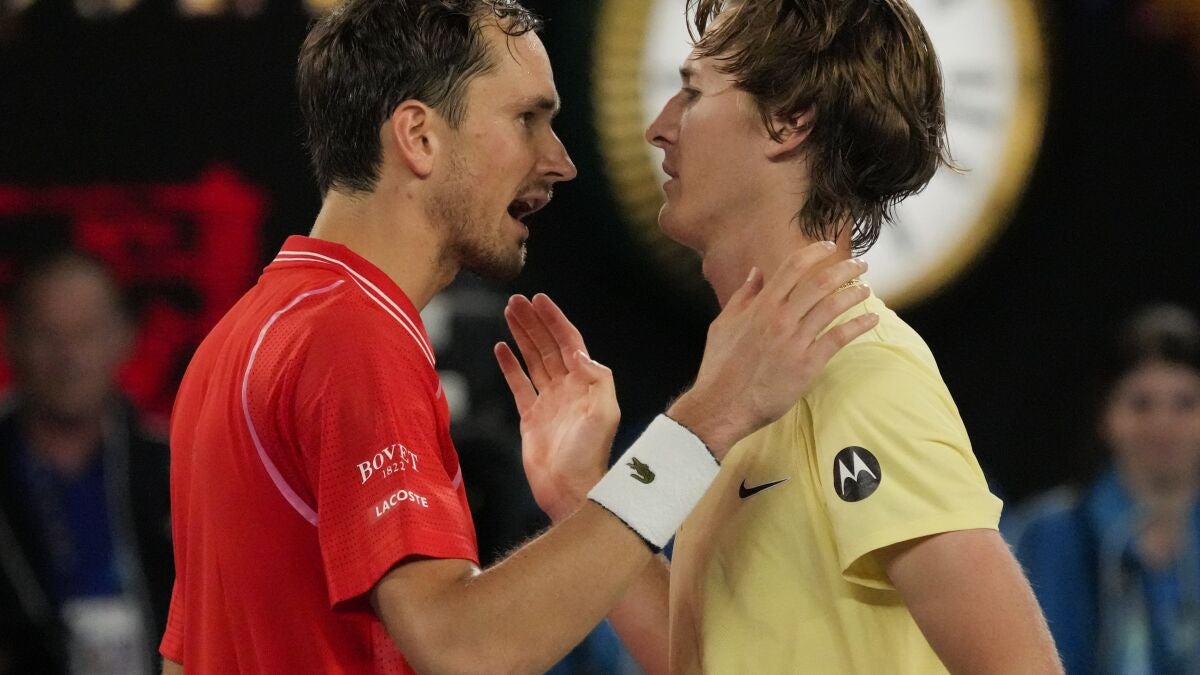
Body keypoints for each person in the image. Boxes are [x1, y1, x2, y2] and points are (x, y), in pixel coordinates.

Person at [158, 0, 878, 672]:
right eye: (528, 119)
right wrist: (705, 421)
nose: (560, 161)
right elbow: (462, 645)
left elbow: (186, 657)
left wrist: (583, 491)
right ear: (419, 137)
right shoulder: (353, 337)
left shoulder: (242, 337)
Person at [497, 0, 1063, 672]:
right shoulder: (748, 389)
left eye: (693, 93)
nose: (658, 128)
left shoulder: (861, 373)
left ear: (790, 120)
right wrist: (580, 490)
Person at [0, 251, 172, 675]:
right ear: (12, 340)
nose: (68, 357)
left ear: (124, 338)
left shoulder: (173, 470)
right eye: (47, 335)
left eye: (86, 333)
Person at [1008, 304, 1200, 674]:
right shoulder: (1047, 535)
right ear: (1106, 417)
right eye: (1141, 405)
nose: (1163, 424)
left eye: (1184, 404)